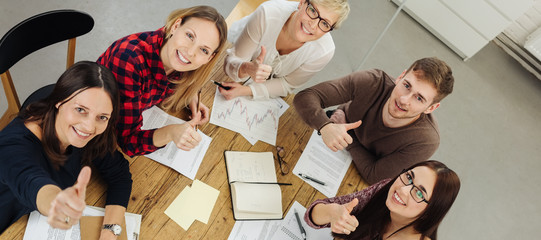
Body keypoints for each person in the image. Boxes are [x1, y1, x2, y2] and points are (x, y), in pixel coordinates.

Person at [0, 61, 132, 239]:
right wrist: (56, 202)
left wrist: (110, 231)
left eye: (102, 117)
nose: (89, 126)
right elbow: (31, 182)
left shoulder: (93, 131)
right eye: (80, 110)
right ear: (59, 101)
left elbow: (120, 174)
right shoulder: (13, 146)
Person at [293, 57, 454, 184]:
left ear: (431, 108)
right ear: (400, 77)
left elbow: (375, 176)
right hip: (332, 129)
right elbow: (306, 97)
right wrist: (326, 126)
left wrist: (349, 138)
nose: (404, 99)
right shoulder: (373, 81)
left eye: (419, 98)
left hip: (349, 148)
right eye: (406, 85)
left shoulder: (426, 140)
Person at [97, 6, 227, 157]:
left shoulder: (180, 59)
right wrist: (171, 132)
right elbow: (128, 141)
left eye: (204, 50)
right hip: (96, 130)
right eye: (190, 36)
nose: (191, 52)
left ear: (209, 58)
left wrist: (190, 95)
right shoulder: (129, 60)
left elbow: (187, 78)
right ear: (175, 26)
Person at [220, 0, 350, 100]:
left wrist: (246, 90)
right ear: (302, 3)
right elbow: (231, 63)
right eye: (313, 11)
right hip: (229, 48)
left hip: (258, 83)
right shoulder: (268, 13)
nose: (313, 25)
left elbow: (287, 84)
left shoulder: (323, 52)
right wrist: (246, 68)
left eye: (325, 24)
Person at [305, 160, 460, 240]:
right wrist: (331, 212)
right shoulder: (386, 188)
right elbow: (311, 215)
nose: (403, 189)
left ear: (430, 212)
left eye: (419, 193)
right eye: (409, 177)